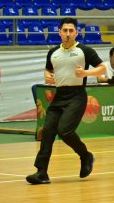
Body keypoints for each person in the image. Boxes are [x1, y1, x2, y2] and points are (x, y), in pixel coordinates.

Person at [27, 17, 107, 185]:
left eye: (71, 31)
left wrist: (86, 74)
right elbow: (48, 70)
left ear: (77, 33)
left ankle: (85, 156)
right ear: (59, 32)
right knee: (47, 131)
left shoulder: (84, 50)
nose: (68, 34)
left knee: (64, 130)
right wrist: (47, 77)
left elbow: (102, 68)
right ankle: (41, 172)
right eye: (65, 31)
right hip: (59, 95)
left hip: (77, 96)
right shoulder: (53, 52)